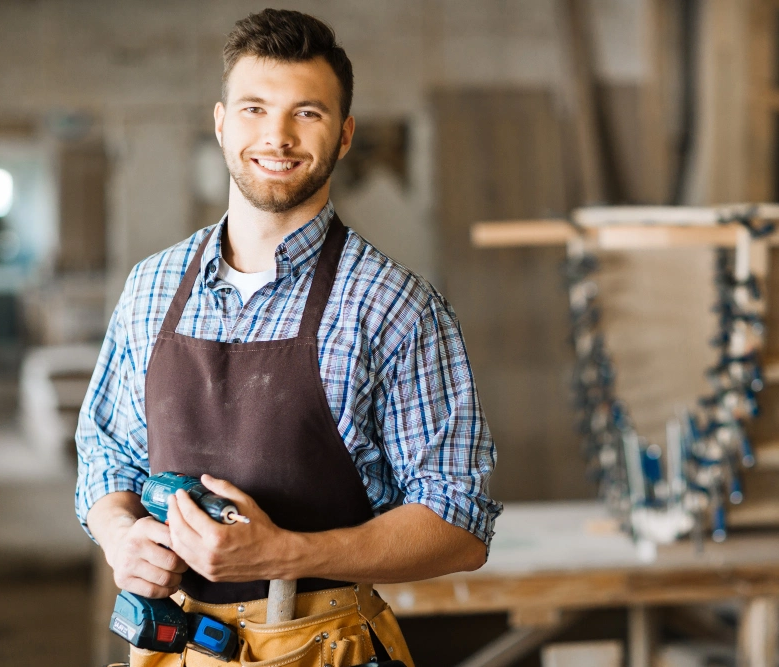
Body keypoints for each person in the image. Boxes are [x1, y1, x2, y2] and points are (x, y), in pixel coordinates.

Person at [76, 8, 502, 666]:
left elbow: (459, 521)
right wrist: (119, 533)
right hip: (175, 646)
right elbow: (107, 453)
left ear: (345, 133)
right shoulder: (152, 287)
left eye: (307, 112)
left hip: (323, 645)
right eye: (253, 108)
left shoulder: (394, 306)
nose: (276, 135)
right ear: (221, 123)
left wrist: (288, 553)